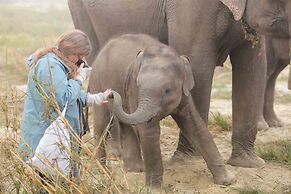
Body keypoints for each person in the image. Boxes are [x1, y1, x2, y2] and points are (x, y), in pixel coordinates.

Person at [18, 29, 111, 178]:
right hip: (45, 141)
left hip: (55, 141)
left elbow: (66, 91)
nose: (80, 60)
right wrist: (80, 78)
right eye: (80, 56)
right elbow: (62, 99)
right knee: (47, 183)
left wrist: (95, 98)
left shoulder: (58, 64)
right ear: (72, 51)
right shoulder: (50, 66)